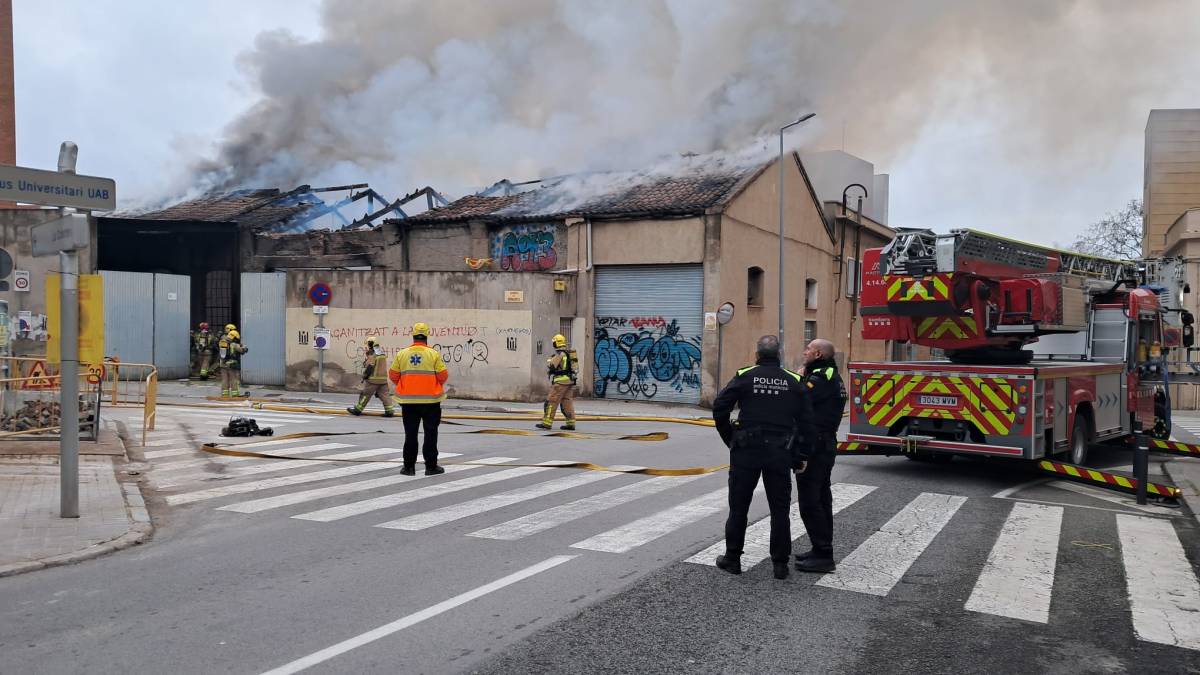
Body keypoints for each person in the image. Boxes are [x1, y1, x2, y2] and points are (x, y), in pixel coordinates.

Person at [712, 335, 815, 580]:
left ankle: (733, 559)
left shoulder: (745, 375)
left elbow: (720, 406)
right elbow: (808, 422)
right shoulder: (794, 380)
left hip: (746, 451)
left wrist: (730, 438)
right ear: (778, 355)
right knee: (780, 510)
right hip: (780, 453)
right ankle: (780, 565)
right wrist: (801, 454)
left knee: (739, 507)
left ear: (757, 355)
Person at [794, 338, 848, 573]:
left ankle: (824, 554)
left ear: (817, 354)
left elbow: (800, 396)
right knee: (822, 498)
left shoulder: (823, 376)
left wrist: (799, 377)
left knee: (810, 501)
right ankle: (820, 549)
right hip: (824, 444)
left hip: (816, 446)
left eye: (807, 349)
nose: (804, 352)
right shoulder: (829, 374)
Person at [388, 322, 449, 476]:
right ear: (426, 336)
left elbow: (393, 375)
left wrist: (406, 384)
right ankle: (431, 467)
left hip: (408, 402)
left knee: (410, 434)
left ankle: (408, 468)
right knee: (431, 434)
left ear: (414, 335)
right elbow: (443, 376)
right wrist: (432, 385)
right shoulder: (433, 354)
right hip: (431, 402)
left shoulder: (402, 353)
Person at [537, 333, 578, 430]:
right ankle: (570, 423)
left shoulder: (560, 354)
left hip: (560, 383)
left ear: (556, 343)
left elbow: (551, 366)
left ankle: (547, 423)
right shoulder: (569, 353)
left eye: (554, 342)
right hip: (570, 382)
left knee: (551, 401)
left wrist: (550, 359)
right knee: (567, 402)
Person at [347, 337, 395, 417]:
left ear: (371, 343)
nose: (368, 346)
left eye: (368, 344)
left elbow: (370, 366)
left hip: (373, 380)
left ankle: (358, 410)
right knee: (385, 395)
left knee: (365, 394)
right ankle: (389, 411)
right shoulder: (381, 353)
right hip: (383, 380)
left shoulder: (372, 353)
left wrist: (365, 375)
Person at [217, 327, 248, 398]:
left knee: (224, 379)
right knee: (233, 379)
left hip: (222, 364)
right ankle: (235, 394)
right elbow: (242, 351)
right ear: (235, 337)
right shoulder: (234, 345)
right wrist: (244, 347)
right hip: (231, 365)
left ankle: (225, 394)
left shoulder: (222, 342)